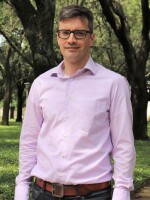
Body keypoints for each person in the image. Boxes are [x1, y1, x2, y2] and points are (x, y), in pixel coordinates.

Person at [14, 5, 136, 200]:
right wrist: (21, 190)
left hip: (93, 195)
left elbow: (123, 145)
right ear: (58, 38)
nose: (71, 39)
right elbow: (29, 140)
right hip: (42, 193)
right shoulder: (41, 84)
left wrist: (121, 193)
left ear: (91, 38)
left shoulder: (114, 84)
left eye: (79, 33)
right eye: (65, 33)